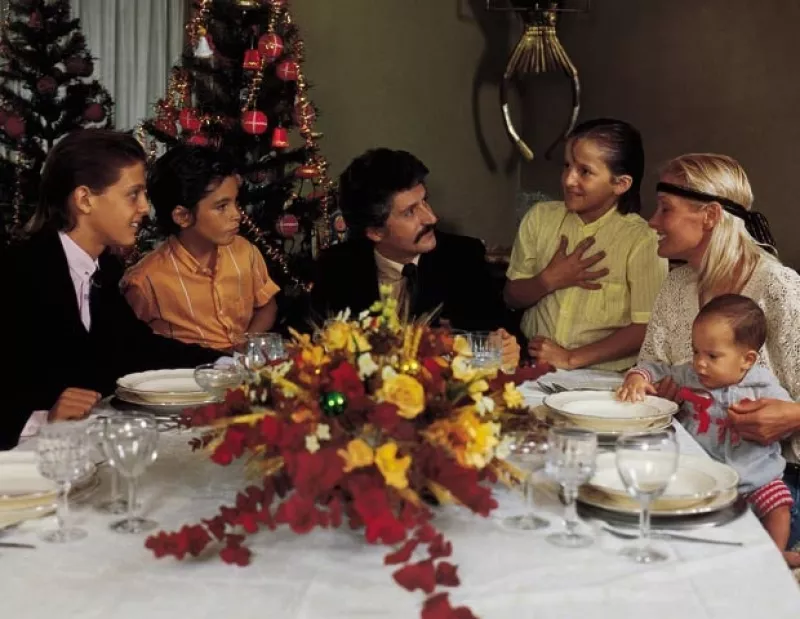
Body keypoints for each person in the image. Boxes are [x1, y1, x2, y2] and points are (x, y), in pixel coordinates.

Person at [1, 129, 220, 450]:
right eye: (133, 194)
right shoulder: (16, 273)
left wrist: (225, 366)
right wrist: (40, 419)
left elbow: (137, 348)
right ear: (85, 199)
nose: (145, 207)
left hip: (78, 447)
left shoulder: (103, 269)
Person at [640, 152, 800, 554]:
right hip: (696, 470)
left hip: (777, 486)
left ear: (710, 216)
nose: (652, 221)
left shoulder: (779, 288)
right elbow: (651, 370)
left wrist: (792, 416)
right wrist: (658, 395)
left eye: (665, 209)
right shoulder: (676, 286)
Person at [619, 295, 798, 563]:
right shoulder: (689, 376)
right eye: (695, 351)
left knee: (779, 506)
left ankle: (773, 555)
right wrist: (636, 378)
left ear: (747, 360)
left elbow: (782, 421)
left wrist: (775, 421)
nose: (699, 362)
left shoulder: (764, 387)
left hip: (755, 475)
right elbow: (654, 368)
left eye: (712, 355)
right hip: (701, 473)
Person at [310, 147, 520, 367]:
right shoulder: (337, 267)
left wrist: (505, 346)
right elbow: (315, 345)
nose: (431, 218)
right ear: (375, 232)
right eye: (409, 212)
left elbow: (500, 331)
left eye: (425, 201)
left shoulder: (462, 257)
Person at [504, 118, 667, 372]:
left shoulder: (642, 239)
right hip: (534, 367)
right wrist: (549, 280)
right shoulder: (540, 218)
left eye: (585, 171)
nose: (569, 180)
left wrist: (571, 357)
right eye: (567, 166)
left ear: (620, 184)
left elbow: (646, 326)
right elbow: (511, 296)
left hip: (604, 379)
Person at [122, 145, 279, 351]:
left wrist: (245, 344)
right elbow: (131, 345)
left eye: (235, 202)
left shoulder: (246, 253)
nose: (237, 215)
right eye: (222, 206)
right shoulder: (146, 282)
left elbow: (267, 305)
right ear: (183, 216)